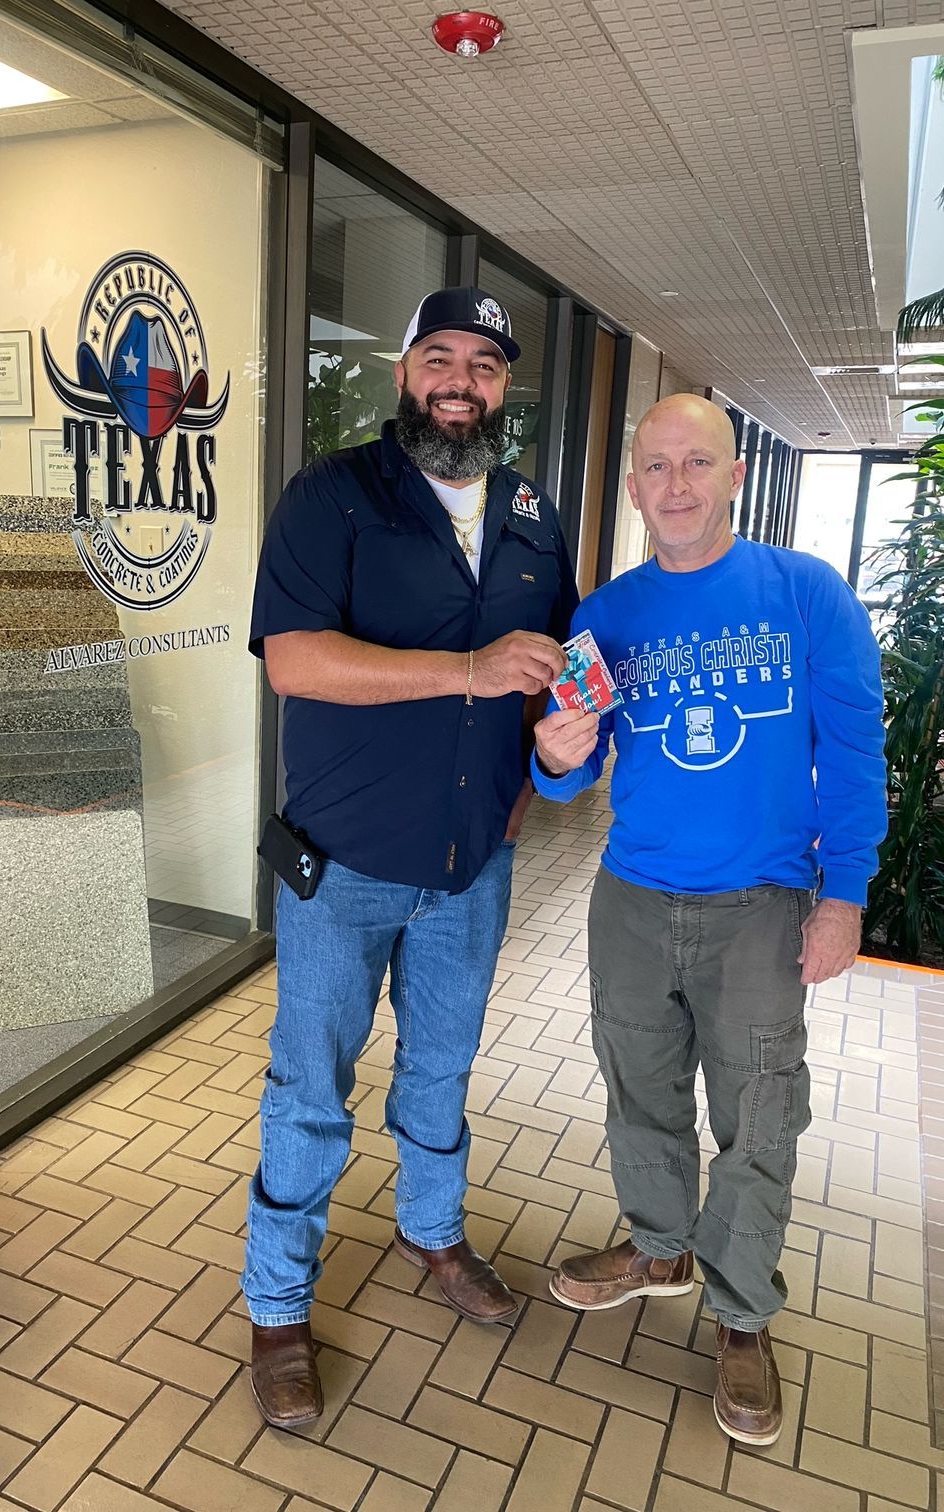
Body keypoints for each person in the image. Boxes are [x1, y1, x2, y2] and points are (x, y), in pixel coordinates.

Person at [243, 286, 578, 1427]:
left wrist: (526, 796)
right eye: (441, 357)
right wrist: (469, 668)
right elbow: (295, 660)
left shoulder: (535, 515)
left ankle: (434, 1234)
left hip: (471, 873)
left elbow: (557, 683)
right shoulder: (333, 495)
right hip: (341, 867)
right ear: (404, 372)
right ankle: (278, 1304)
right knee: (310, 1094)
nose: (461, 381)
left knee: (439, 1076)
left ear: (503, 388)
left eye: (484, 365)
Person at [532, 394, 886, 1447]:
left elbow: (856, 755)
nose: (675, 484)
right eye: (655, 466)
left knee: (759, 1114)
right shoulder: (604, 616)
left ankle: (739, 1312)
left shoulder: (805, 594)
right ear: (634, 484)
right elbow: (568, 776)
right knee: (638, 1094)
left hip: (760, 910)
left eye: (697, 463)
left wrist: (846, 893)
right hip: (633, 900)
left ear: (734, 476)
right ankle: (660, 1249)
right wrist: (555, 750)